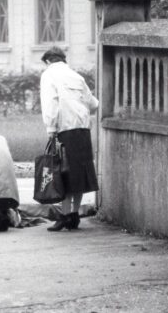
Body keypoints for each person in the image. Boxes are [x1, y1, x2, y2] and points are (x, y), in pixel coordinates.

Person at [39, 46, 99, 231]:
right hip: (83, 129)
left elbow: (50, 102)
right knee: (79, 174)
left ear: (48, 61)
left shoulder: (48, 75)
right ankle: (74, 215)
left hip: (64, 130)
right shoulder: (76, 76)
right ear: (63, 59)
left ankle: (64, 216)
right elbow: (93, 104)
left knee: (62, 174)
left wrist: (51, 128)